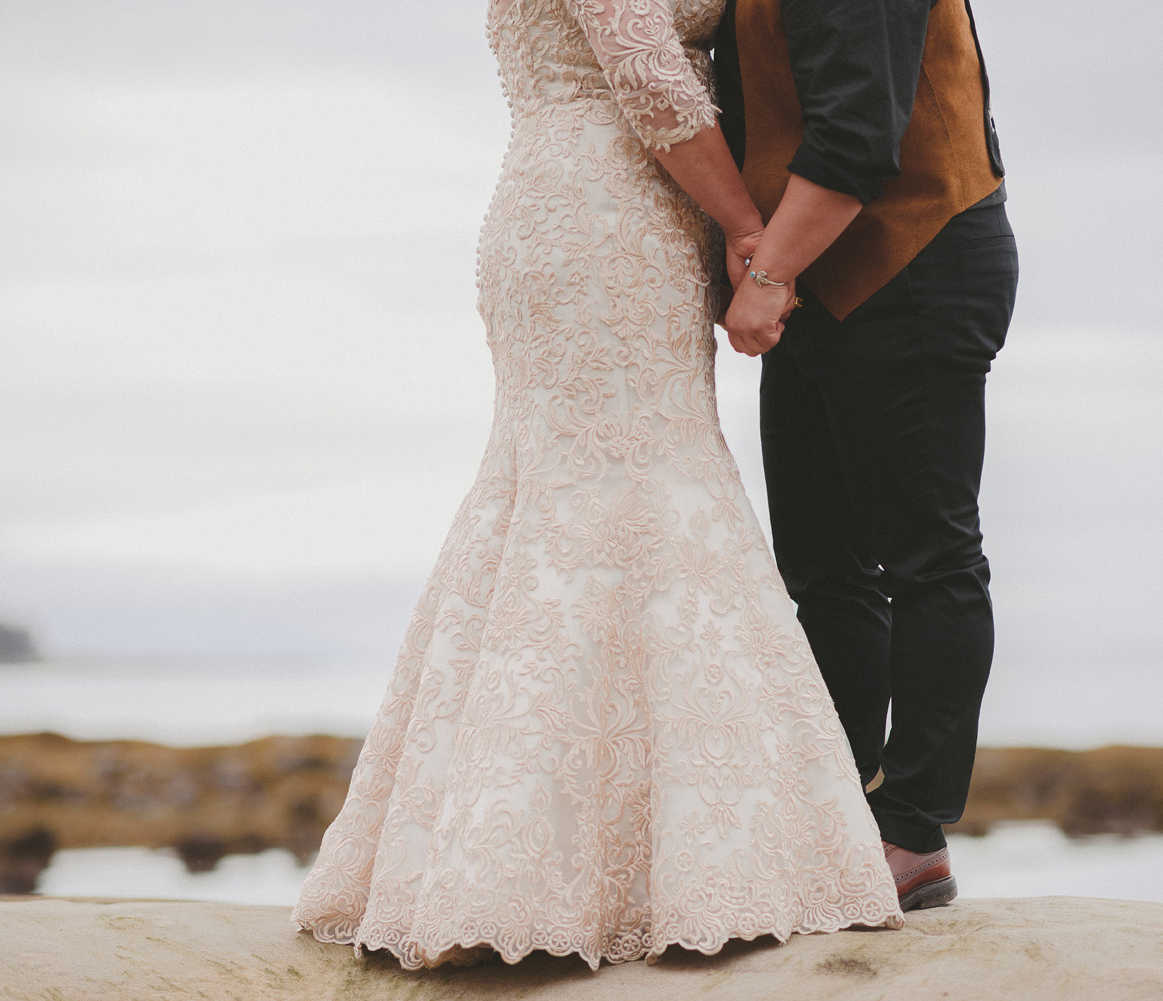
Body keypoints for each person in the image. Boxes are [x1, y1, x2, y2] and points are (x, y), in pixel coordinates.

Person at [290, 0, 903, 970]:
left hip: (601, 202)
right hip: (606, 208)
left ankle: (598, 854)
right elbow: (650, 76)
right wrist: (750, 232)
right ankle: (546, 861)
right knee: (629, 484)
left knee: (585, 491)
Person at [715, 0, 1019, 910]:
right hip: (820, 263)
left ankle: (914, 832)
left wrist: (767, 274)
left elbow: (855, 130)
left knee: (930, 556)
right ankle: (840, 817)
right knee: (824, 569)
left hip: (914, 257)